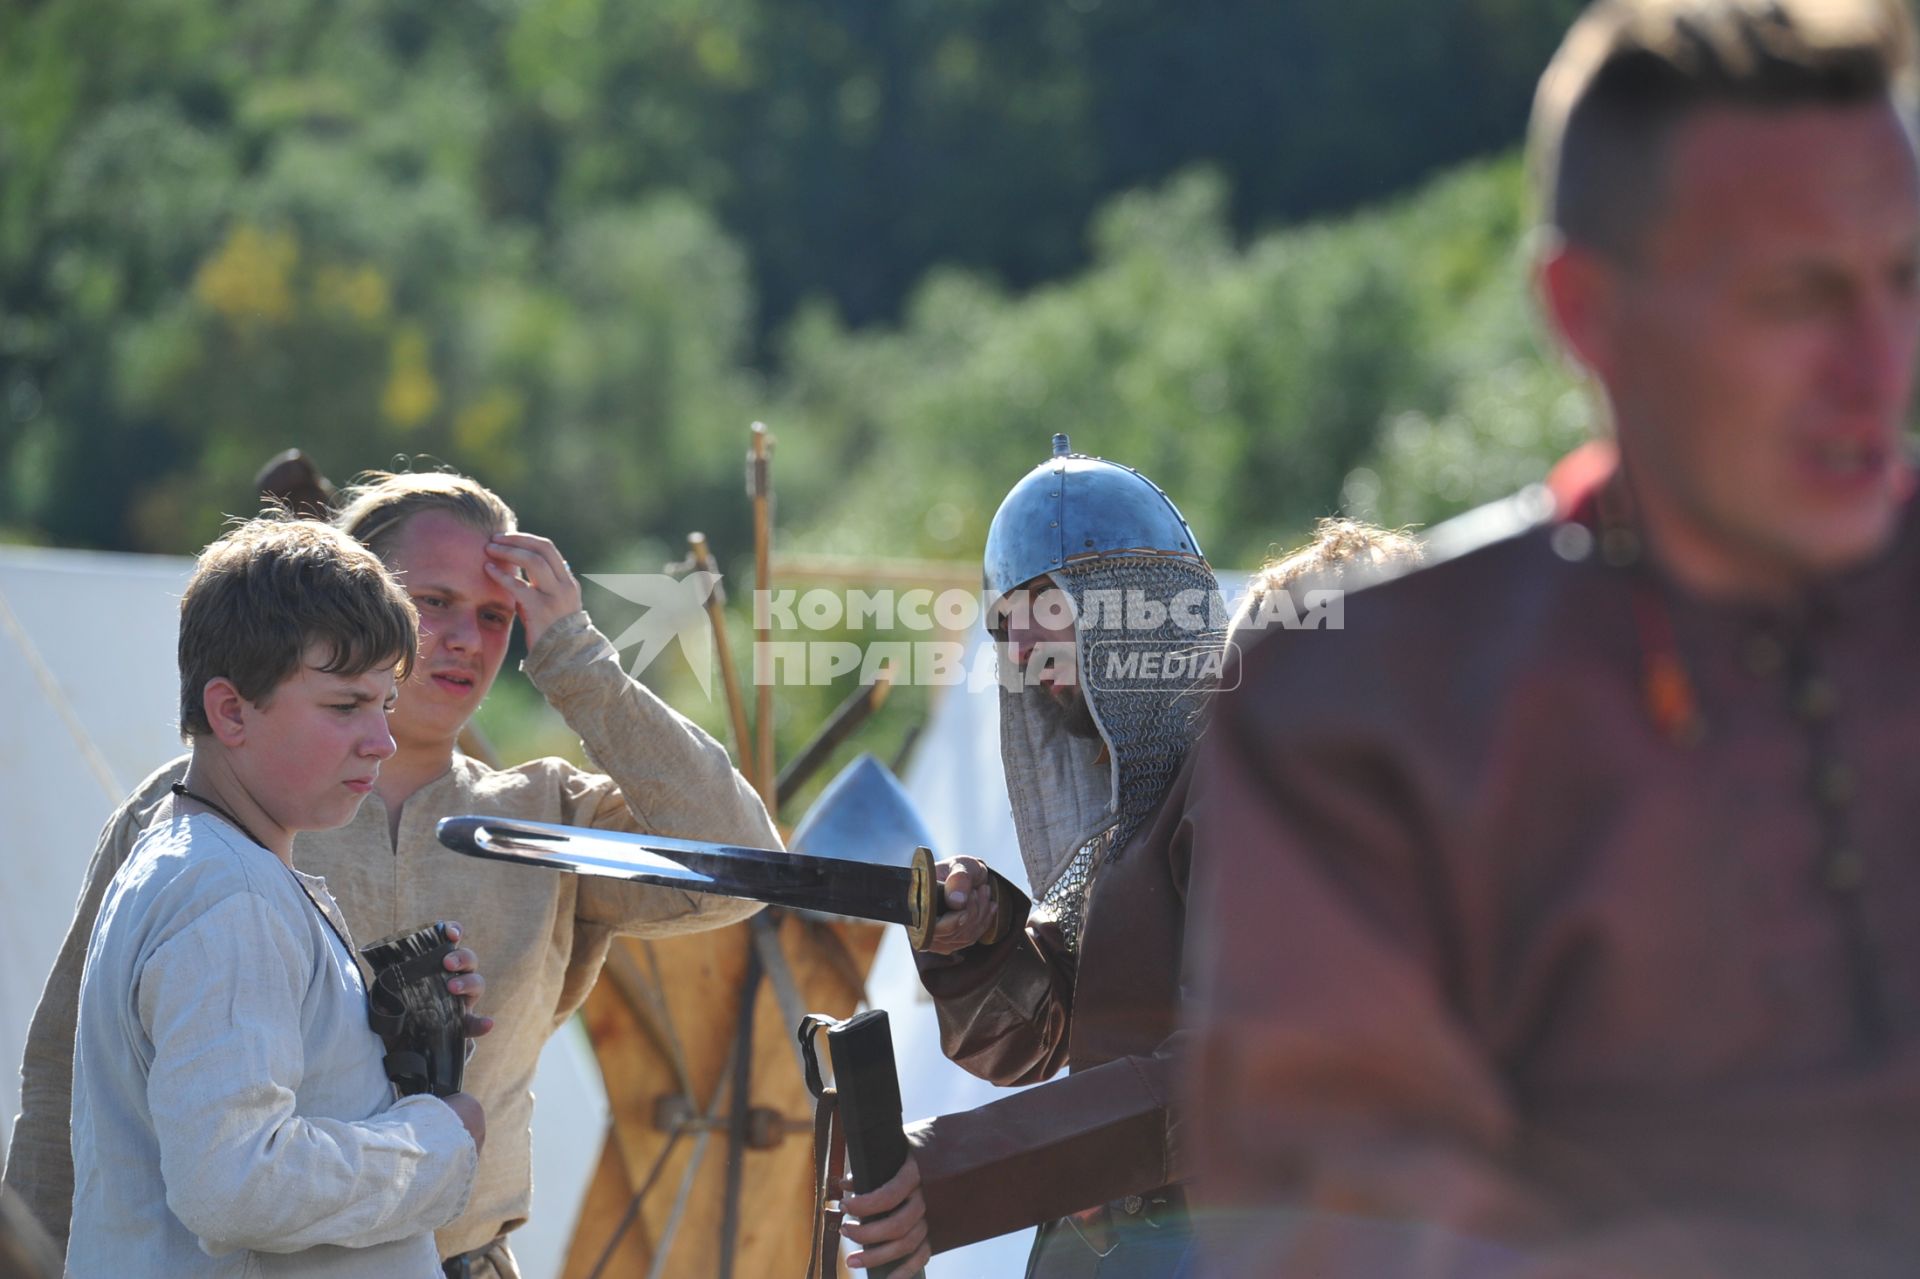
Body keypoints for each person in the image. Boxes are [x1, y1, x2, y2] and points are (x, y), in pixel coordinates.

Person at [1188, 0, 1920, 1274]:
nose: (1877, 365)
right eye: (1796, 293)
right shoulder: (1367, 720)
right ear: (1589, 314)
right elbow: (1353, 1223)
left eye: (1906, 277)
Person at [6, 469, 780, 1277]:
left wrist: (576, 657)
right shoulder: (214, 819)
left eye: (495, 614)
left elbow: (741, 861)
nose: (464, 638)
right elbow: (68, 1082)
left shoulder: (544, 820)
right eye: (432, 601)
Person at [839, 435, 1221, 1276]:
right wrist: (982, 941)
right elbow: (1045, 1044)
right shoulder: (1144, 816)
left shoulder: (1246, 788)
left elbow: (1220, 1076)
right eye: (1005, 621)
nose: (1016, 647)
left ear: (1132, 600)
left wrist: (953, 1174)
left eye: (1041, 603)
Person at [68, 516, 482, 1276]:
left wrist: (387, 1044)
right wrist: (436, 1138)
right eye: (344, 706)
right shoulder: (230, 893)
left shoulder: (204, 863)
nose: (381, 741)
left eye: (385, 704)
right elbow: (234, 1181)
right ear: (231, 711)